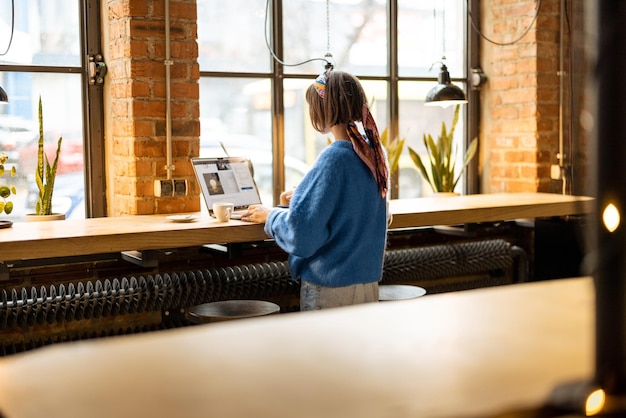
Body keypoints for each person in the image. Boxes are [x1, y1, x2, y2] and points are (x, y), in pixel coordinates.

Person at [241, 69, 389, 311]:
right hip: (367, 286)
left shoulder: (334, 158)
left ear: (325, 110)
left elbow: (303, 237)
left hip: (331, 290)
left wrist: (271, 216)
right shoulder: (373, 155)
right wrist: (303, 197)